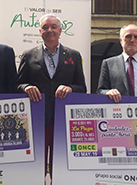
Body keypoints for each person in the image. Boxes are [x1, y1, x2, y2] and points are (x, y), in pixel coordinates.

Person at [16, 14, 87, 176]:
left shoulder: (74, 55)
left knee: (60, 168)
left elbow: (82, 87)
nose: (50, 30)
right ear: (40, 31)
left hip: (63, 120)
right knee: (35, 167)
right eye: (45, 27)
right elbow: (17, 85)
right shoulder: (28, 55)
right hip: (37, 119)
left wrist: (70, 88)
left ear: (60, 31)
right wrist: (26, 87)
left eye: (53, 27)